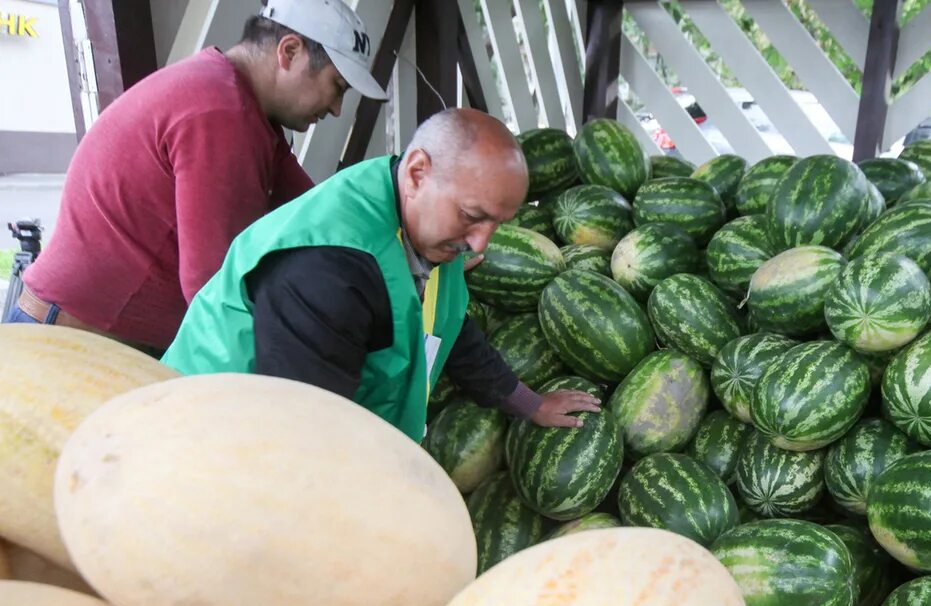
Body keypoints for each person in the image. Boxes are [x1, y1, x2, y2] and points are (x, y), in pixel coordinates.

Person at [161, 108, 600, 439]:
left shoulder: (424, 225)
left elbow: (447, 329)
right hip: (211, 442)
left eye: (497, 224)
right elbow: (306, 439)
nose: (482, 242)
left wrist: (530, 404)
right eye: (473, 216)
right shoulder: (328, 276)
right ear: (417, 173)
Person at [6, 0, 387, 353]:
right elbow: (212, 289)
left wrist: (390, 242)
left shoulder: (244, 107)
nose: (337, 109)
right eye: (336, 87)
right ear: (289, 52)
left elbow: (316, 213)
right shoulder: (219, 113)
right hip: (71, 346)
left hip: (99, 342)